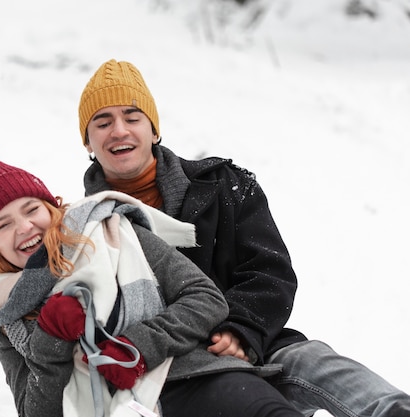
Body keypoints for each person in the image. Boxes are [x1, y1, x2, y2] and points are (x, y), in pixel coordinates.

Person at [77, 58, 410, 417]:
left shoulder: (223, 185)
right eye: (103, 122)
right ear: (88, 142)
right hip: (174, 371)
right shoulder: (87, 228)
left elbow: (270, 273)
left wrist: (241, 330)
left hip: (254, 337)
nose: (120, 130)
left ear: (154, 130)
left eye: (132, 116)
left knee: (315, 361)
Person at [0, 156, 303, 417]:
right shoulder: (9, 324)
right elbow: (36, 412)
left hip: (190, 379)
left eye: (31, 209)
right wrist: (50, 338)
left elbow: (205, 299)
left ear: (52, 208)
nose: (25, 227)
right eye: (4, 224)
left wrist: (136, 348)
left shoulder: (114, 231)